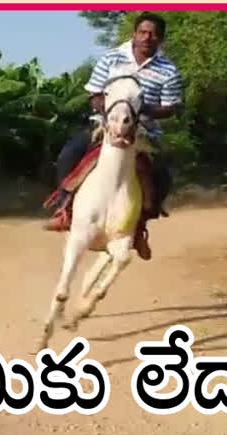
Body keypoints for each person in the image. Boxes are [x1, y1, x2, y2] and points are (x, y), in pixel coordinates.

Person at [45, 12, 184, 261]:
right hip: (104, 124)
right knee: (68, 154)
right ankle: (64, 208)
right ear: (134, 34)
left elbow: (171, 106)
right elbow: (94, 94)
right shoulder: (111, 58)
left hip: (143, 130)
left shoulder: (169, 70)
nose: (147, 37)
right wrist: (111, 112)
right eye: (142, 32)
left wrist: (140, 110)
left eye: (153, 34)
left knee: (162, 174)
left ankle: (141, 225)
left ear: (161, 38)